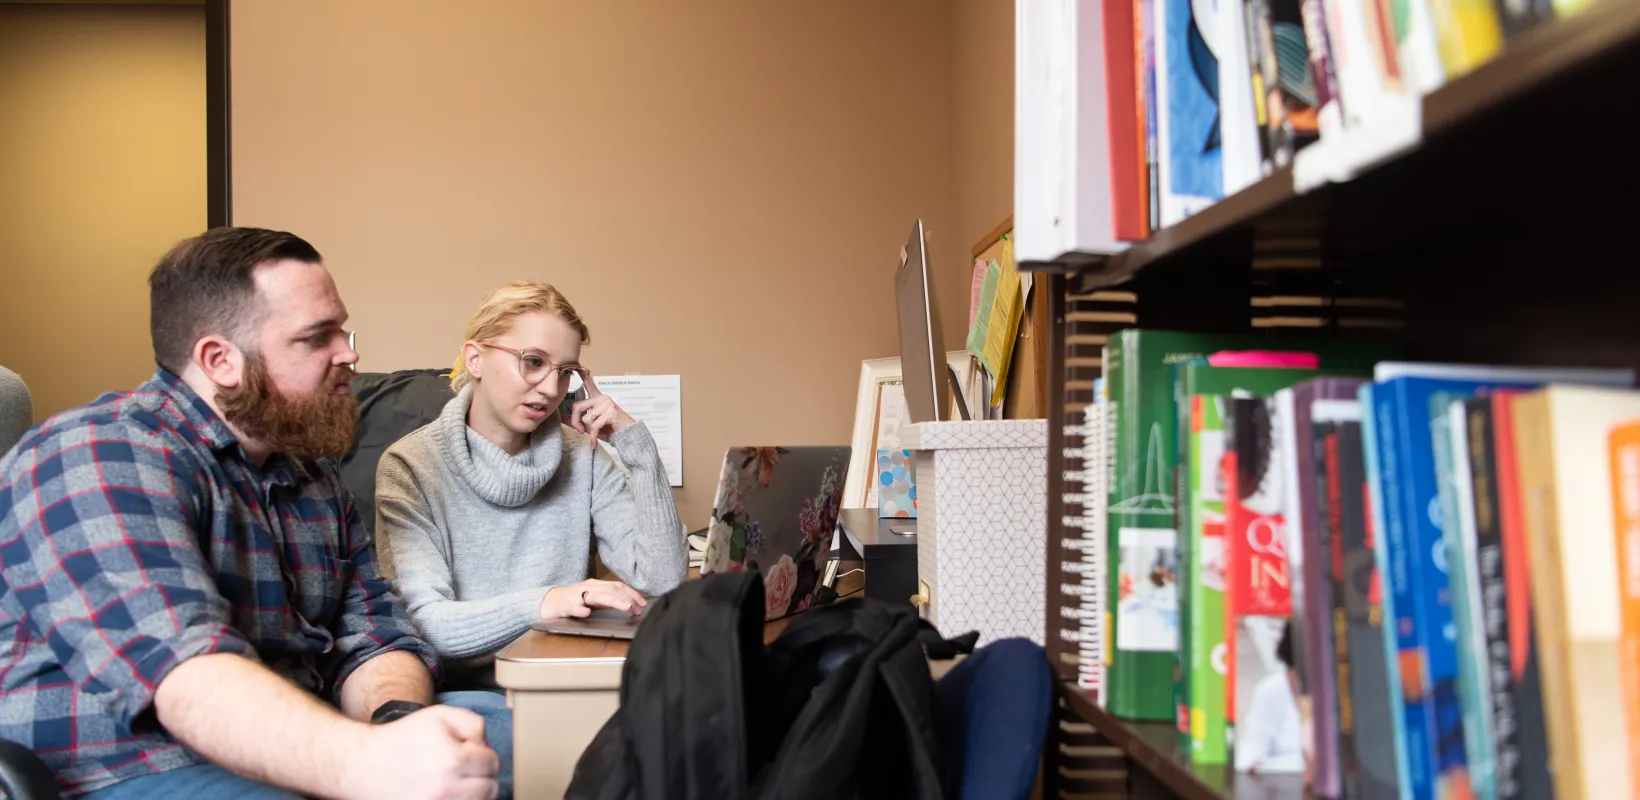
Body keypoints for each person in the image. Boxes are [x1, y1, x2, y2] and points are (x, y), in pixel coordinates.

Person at [0, 228, 506, 800]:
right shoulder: (94, 455)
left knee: (515, 735)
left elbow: (378, 639)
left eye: (341, 327)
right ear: (221, 361)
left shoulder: (311, 476)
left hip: (292, 739)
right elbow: (185, 673)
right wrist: (364, 763)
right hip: (132, 766)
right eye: (317, 338)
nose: (349, 352)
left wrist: (397, 726)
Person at [374, 282, 687, 685]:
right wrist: (546, 601)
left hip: (568, 674)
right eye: (534, 361)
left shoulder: (584, 456)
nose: (551, 389)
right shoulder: (410, 466)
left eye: (565, 373)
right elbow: (426, 622)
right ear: (475, 359)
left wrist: (637, 448)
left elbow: (663, 579)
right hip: (472, 689)